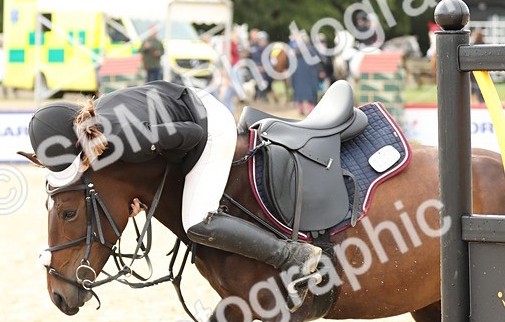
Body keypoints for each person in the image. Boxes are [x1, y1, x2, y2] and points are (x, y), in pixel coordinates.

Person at [27, 82, 322, 301]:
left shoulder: (122, 138)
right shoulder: (90, 126)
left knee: (196, 221)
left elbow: (191, 135)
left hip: (209, 125)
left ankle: (292, 256)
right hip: (184, 108)